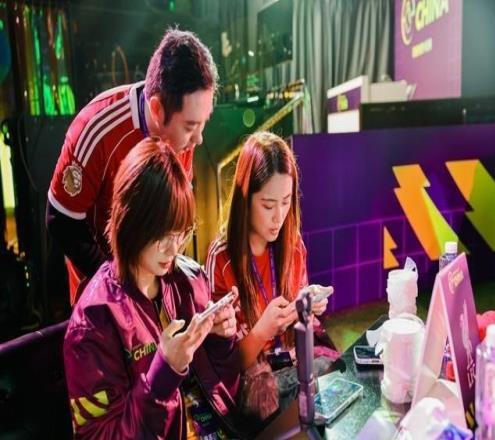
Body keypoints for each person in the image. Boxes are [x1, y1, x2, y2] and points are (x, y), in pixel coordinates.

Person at [64, 138, 240, 439]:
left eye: (181, 233)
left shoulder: (189, 279)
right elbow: (100, 435)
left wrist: (223, 341)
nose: (173, 249)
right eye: (162, 236)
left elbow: (224, 396)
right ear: (130, 221)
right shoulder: (94, 322)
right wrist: (162, 375)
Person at [46, 29, 217, 304]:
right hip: (102, 292)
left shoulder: (184, 136)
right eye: (190, 127)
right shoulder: (97, 129)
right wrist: (118, 282)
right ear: (157, 109)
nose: (199, 139)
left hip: (152, 284)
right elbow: (61, 219)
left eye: (203, 123)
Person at [205, 131, 338, 424]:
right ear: (245, 198)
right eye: (268, 205)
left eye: (286, 201)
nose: (279, 216)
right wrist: (262, 331)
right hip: (250, 381)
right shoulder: (222, 259)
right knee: (273, 400)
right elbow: (223, 367)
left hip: (291, 362)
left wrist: (308, 306)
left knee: (338, 375)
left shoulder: (292, 243)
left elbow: (303, 333)